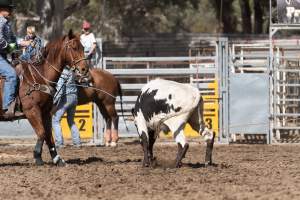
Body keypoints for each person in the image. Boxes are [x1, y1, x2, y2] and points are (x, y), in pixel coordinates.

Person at [0, 0, 22, 118]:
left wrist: (21, 45)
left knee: (20, 71)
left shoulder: (7, 23)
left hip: (2, 56)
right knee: (11, 74)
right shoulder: (0, 21)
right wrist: (10, 49)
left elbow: (13, 40)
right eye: (9, 9)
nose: (11, 11)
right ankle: (7, 107)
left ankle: (17, 103)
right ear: (1, 9)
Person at [52, 67, 81, 148]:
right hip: (74, 97)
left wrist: (54, 102)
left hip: (66, 98)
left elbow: (60, 90)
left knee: (55, 120)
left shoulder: (63, 72)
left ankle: (59, 143)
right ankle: (77, 142)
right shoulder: (71, 70)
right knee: (71, 120)